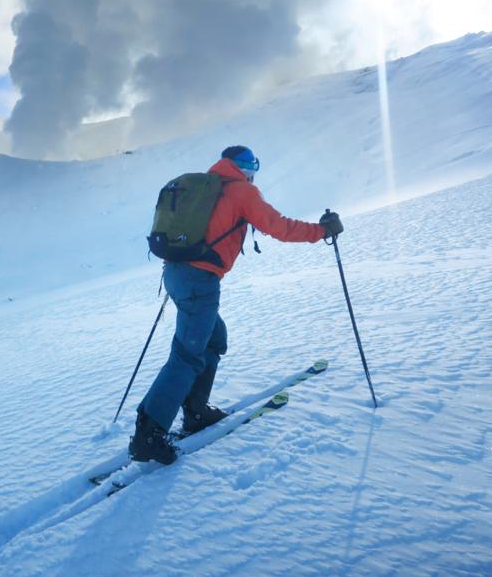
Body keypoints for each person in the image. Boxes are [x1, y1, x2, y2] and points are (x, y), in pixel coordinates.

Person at [130, 145, 343, 464]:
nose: (253, 173)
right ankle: (149, 434)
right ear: (244, 168)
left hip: (178, 274)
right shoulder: (241, 191)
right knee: (187, 355)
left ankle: (196, 412)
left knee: (213, 340)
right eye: (251, 167)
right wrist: (323, 230)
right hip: (199, 281)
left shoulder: (205, 186)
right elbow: (279, 227)